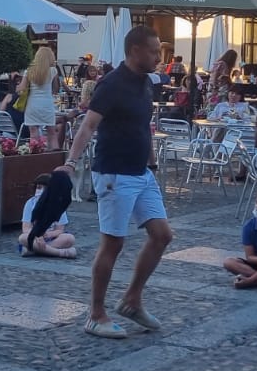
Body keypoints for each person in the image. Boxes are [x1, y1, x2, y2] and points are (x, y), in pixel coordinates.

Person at [57, 24, 172, 339]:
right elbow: (88, 126)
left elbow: (144, 126)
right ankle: (96, 314)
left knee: (162, 235)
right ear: (135, 51)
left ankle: (132, 300)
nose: (159, 58)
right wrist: (70, 163)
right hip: (114, 174)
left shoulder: (146, 83)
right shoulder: (111, 84)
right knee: (113, 243)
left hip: (140, 172)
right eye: (154, 52)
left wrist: (152, 163)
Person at [19, 172, 76, 258]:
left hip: (51, 238)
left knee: (69, 238)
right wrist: (37, 235)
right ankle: (60, 253)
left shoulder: (59, 204)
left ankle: (34, 250)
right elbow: (26, 228)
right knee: (22, 238)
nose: (41, 191)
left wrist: (49, 234)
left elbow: (60, 230)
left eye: (45, 189)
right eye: (38, 187)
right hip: (34, 237)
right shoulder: (30, 203)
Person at [19, 45, 62, 147]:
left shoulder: (29, 70)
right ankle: (54, 154)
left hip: (32, 104)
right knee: (52, 132)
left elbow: (22, 88)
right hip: (47, 104)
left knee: (33, 133)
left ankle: (35, 153)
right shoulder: (53, 71)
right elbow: (55, 89)